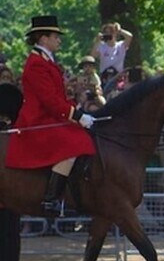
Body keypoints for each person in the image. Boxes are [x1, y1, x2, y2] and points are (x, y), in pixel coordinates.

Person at [5, 15, 96, 216]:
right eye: (56, 36)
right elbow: (50, 101)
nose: (59, 40)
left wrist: (77, 111)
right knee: (75, 144)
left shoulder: (46, 60)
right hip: (38, 119)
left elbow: (57, 98)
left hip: (52, 117)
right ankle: (50, 198)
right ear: (43, 38)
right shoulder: (37, 63)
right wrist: (77, 115)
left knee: (80, 138)